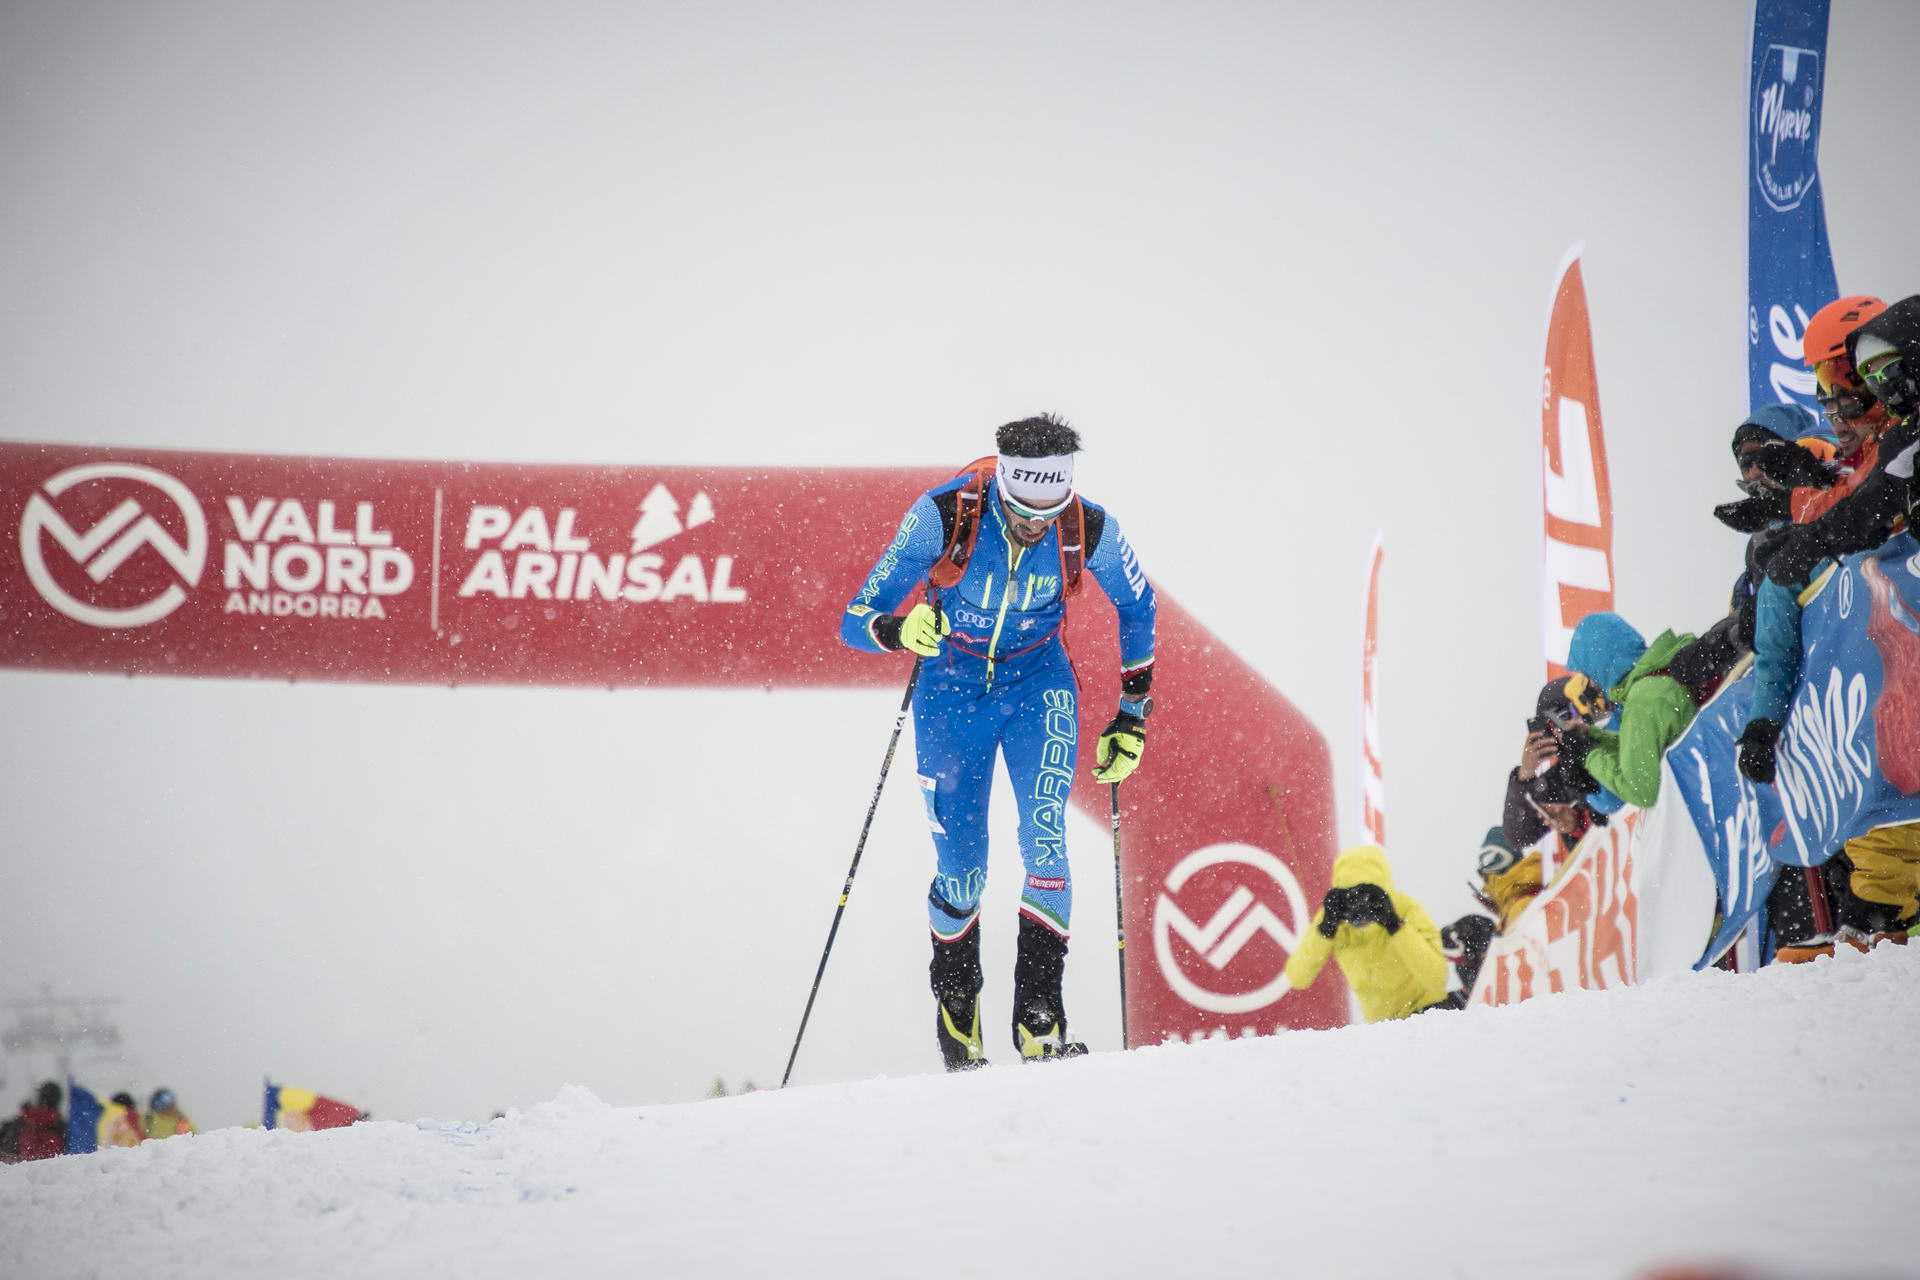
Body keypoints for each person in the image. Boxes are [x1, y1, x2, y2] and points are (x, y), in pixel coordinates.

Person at [841, 413, 1157, 1068]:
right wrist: (899, 631)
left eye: (1050, 510)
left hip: (1038, 687)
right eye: (1021, 510)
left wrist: (1132, 714)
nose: (1035, 525)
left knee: (1045, 838)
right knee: (963, 870)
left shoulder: (1087, 526)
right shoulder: (943, 515)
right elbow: (855, 618)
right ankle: (959, 1015)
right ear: (1002, 488)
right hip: (950, 694)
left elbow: (1137, 603)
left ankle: (1040, 1021)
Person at [1283, 845, 1449, 1022]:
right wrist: (1325, 930)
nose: (1360, 908)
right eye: (1352, 899)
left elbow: (1436, 979)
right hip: (1380, 1026)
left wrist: (1395, 926)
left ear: (1384, 893)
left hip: (1427, 1016)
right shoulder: (1334, 917)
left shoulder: (1406, 910)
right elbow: (1297, 977)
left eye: (1369, 897)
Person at [1563, 612, 1706, 809]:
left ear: (1601, 665)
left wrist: (1589, 755)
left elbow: (1641, 791)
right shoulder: (1657, 674)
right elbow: (1645, 746)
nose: (1594, 683)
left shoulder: (1640, 700)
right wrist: (1594, 735)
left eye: (1590, 674)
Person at [0, 1081, 66, 1162]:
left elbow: (5, 1152)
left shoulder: (19, 1123)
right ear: (58, 1100)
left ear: (39, 1098)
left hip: (21, 1172)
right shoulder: (63, 1127)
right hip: (54, 1172)